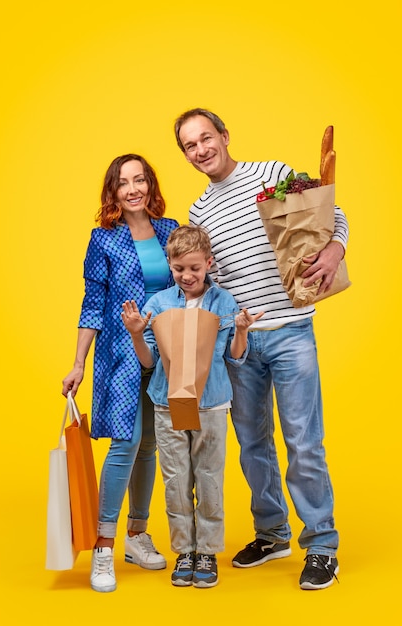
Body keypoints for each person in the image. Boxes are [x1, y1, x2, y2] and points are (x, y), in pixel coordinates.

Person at [173, 108, 349, 590]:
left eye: (206, 138)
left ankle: (322, 545)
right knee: (253, 444)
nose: (201, 150)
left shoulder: (270, 174)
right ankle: (272, 534)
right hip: (240, 341)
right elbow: (209, 278)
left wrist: (335, 249)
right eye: (190, 146)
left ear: (225, 136)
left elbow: (330, 214)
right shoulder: (199, 212)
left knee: (302, 442)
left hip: (291, 331)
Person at [121, 224, 263, 588]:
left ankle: (207, 552)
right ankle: (184, 549)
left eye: (195, 268)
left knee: (210, 478)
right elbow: (149, 361)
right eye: (179, 268)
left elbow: (235, 356)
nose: (187, 275)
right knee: (176, 480)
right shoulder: (158, 305)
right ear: (170, 265)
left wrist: (243, 330)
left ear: (209, 264)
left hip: (212, 403)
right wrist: (138, 333)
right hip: (168, 404)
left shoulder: (224, 303)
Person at [62, 154, 179, 593]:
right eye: (124, 183)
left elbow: (191, 283)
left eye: (140, 179)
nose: (133, 189)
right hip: (122, 354)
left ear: (150, 184)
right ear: (112, 192)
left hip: (166, 354)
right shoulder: (104, 239)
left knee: (149, 445)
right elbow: (92, 304)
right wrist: (78, 364)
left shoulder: (171, 231)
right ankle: (104, 546)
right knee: (126, 443)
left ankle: (136, 534)